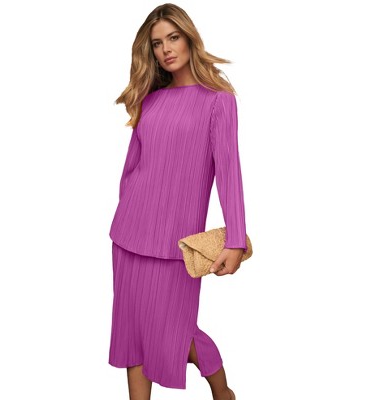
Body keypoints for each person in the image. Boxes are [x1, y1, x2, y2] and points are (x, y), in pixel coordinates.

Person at [108, 3, 247, 399]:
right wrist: (125, 216)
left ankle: (223, 392)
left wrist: (236, 239)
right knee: (134, 332)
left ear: (189, 39)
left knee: (176, 331)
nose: (166, 49)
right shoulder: (150, 100)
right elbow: (131, 170)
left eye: (173, 38)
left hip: (176, 244)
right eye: (157, 43)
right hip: (128, 235)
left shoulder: (218, 100)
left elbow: (229, 171)